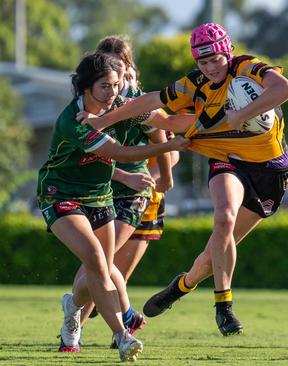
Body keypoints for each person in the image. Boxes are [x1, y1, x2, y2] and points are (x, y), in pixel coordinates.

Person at [79, 22, 288, 336]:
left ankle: (182, 285)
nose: (210, 68)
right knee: (224, 218)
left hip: (271, 171)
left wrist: (243, 112)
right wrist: (103, 120)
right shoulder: (193, 84)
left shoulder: (248, 68)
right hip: (227, 162)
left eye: (215, 60)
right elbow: (152, 100)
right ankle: (224, 308)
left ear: (228, 53)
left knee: (212, 257)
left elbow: (284, 89)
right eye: (202, 62)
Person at [36, 52, 189, 361]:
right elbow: (120, 152)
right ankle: (122, 336)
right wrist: (170, 146)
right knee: (95, 258)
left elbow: (170, 121)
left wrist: (216, 117)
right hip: (60, 195)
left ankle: (73, 309)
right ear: (85, 87)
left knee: (102, 269)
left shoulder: (120, 106)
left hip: (100, 196)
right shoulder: (73, 121)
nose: (114, 93)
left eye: (117, 85)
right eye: (105, 86)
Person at [75, 36, 181, 346]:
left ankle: (86, 327)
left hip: (142, 197)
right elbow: (89, 154)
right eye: (105, 67)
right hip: (105, 191)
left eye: (118, 67)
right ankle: (117, 318)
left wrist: (160, 180)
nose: (112, 74)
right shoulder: (94, 102)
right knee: (100, 265)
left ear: (128, 68)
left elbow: (167, 145)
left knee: (103, 265)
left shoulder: (137, 101)